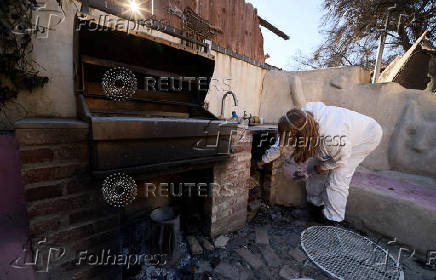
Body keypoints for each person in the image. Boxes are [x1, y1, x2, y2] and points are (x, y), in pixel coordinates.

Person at [257, 102, 383, 223]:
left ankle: (333, 220)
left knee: (337, 179)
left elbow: (340, 160)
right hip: (332, 138)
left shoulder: (333, 138)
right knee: (313, 167)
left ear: (302, 135)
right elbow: (281, 144)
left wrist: (322, 167)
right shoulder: (299, 119)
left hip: (366, 136)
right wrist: (263, 160)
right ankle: (315, 208)